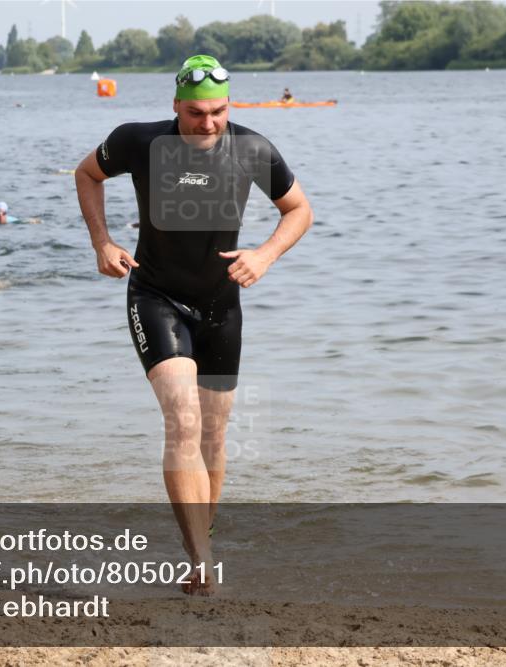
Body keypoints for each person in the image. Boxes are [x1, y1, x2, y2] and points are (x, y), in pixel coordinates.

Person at [74, 54, 313, 595]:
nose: (209, 123)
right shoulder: (138, 141)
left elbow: (299, 209)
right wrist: (102, 242)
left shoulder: (252, 149)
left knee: (214, 435)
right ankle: (201, 559)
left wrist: (265, 255)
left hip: (221, 306)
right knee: (182, 421)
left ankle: (204, 542)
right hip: (156, 296)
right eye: (196, 113)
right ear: (176, 106)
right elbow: (86, 173)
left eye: (218, 112)